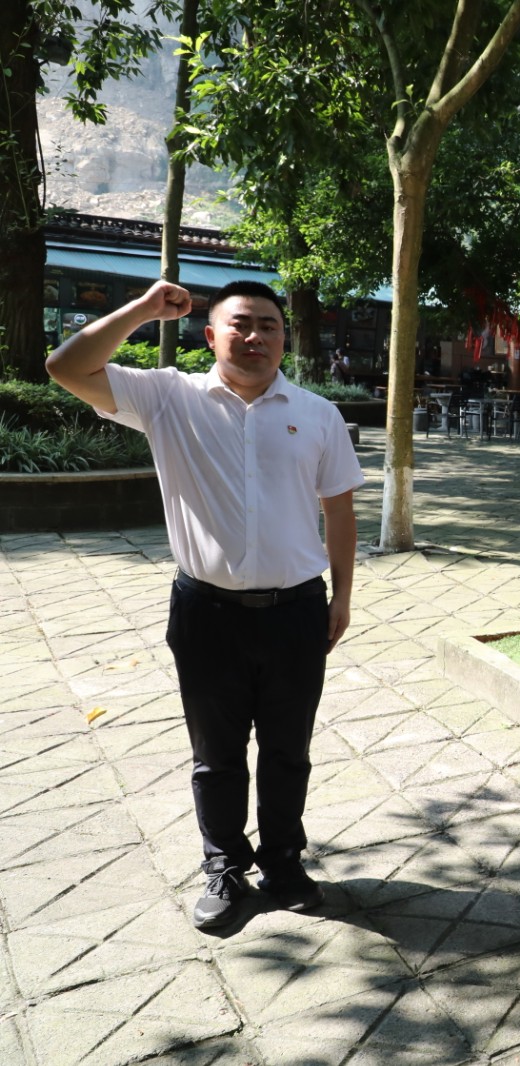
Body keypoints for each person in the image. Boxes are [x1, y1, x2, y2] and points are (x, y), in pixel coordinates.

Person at [45, 279, 363, 929]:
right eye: (241, 324)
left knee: (288, 750)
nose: (255, 336)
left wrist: (343, 596)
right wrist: (142, 309)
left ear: (284, 339)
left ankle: (282, 862)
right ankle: (224, 864)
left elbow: (339, 509)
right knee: (216, 754)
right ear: (211, 335)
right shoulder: (169, 397)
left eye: (269, 326)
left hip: (297, 611)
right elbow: (66, 367)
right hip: (206, 613)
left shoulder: (317, 413)